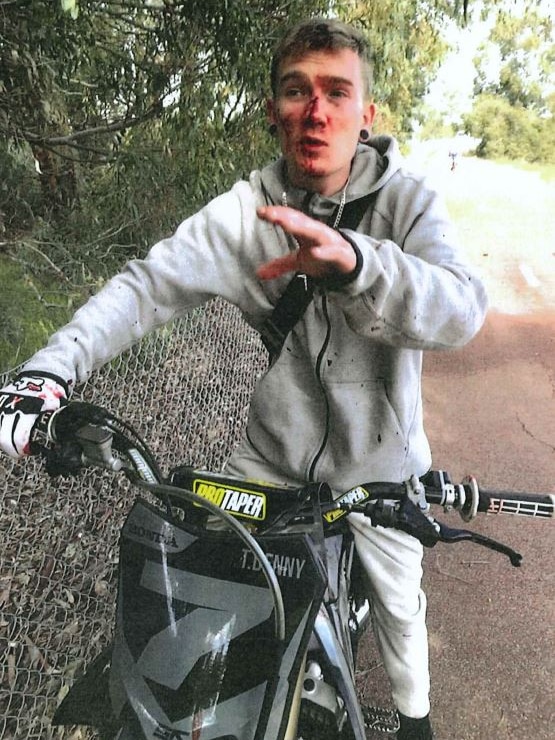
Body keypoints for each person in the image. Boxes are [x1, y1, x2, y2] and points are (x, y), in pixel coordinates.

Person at [0, 17, 487, 740]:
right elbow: (147, 285)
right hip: (266, 461)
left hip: (379, 468)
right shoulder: (243, 213)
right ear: (273, 111)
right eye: (296, 91)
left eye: (336, 92)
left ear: (365, 114)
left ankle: (415, 725)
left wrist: (358, 264)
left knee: (399, 605)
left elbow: (461, 308)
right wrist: (49, 368)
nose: (316, 111)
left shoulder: (406, 202)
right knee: (189, 565)